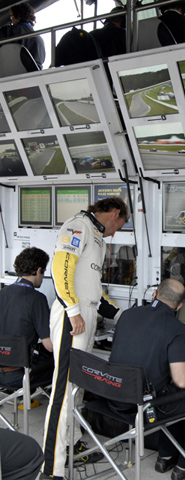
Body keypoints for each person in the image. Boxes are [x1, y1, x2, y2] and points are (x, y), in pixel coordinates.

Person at [41, 196, 129, 480]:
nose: (116, 232)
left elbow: (94, 291)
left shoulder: (96, 237)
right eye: (120, 225)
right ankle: (51, 469)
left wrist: (122, 317)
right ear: (114, 213)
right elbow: (60, 267)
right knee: (62, 390)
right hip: (72, 317)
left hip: (85, 313)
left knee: (77, 387)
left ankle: (71, 443)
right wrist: (73, 310)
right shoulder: (78, 225)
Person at [109, 278, 185, 480]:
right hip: (142, 409)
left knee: (172, 392)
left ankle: (166, 456)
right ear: (179, 306)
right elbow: (184, 381)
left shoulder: (127, 315)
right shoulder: (175, 328)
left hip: (114, 397)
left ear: (154, 294)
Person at [0, 247, 53, 390]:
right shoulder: (37, 299)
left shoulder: (2, 293)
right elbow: (50, 345)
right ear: (38, 271)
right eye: (43, 272)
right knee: (64, 363)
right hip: (20, 376)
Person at [0, 2, 46, 69]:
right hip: (33, 76)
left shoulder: (8, 31)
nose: (11, 21)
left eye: (12, 17)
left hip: (9, 73)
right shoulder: (39, 39)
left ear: (18, 16)